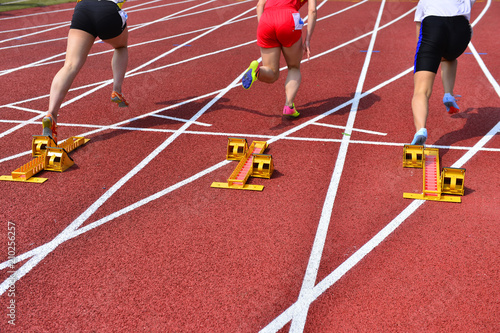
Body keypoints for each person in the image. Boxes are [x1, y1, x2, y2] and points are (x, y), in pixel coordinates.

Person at [42, 0, 129, 144]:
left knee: (70, 65)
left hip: (84, 8)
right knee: (121, 47)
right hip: (108, 10)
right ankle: (117, 89)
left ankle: (51, 114)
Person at [410, 0, 475, 145]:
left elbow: (418, 26)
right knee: (449, 57)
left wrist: (423, 56)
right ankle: (448, 94)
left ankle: (420, 130)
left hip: (433, 27)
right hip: (461, 32)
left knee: (421, 91)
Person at [241, 0, 317, 118]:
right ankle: (288, 106)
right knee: (293, 67)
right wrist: (307, 40)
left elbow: (259, 5)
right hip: (289, 19)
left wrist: (263, 26)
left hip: (266, 19)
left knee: (271, 72)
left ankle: (257, 72)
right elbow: (312, 11)